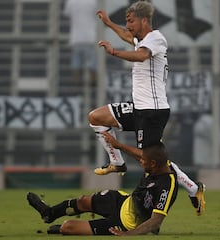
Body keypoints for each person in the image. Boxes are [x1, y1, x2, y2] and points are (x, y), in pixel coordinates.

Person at [89, 1, 205, 216]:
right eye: (127, 21)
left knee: (151, 160)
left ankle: (193, 188)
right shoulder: (141, 39)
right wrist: (108, 23)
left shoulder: (156, 39)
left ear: (144, 20)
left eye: (131, 21)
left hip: (153, 111)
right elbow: (127, 36)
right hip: (139, 107)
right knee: (96, 117)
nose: (128, 25)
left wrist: (114, 52)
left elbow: (142, 55)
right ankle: (117, 163)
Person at [27, 142, 178, 236]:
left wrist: (128, 234)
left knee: (68, 227)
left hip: (124, 224)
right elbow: (141, 155)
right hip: (122, 201)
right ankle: (49, 214)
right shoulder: (158, 164)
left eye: (143, 161)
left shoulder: (167, 185)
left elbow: (156, 221)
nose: (140, 162)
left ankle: (65, 228)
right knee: (83, 201)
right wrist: (117, 145)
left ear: (152, 164)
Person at [63, 0, 97, 86]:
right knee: (92, 61)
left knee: (76, 61)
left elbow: (67, 13)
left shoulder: (71, 1)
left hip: (76, 37)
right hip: (91, 36)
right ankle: (93, 82)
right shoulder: (93, 1)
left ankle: (76, 82)